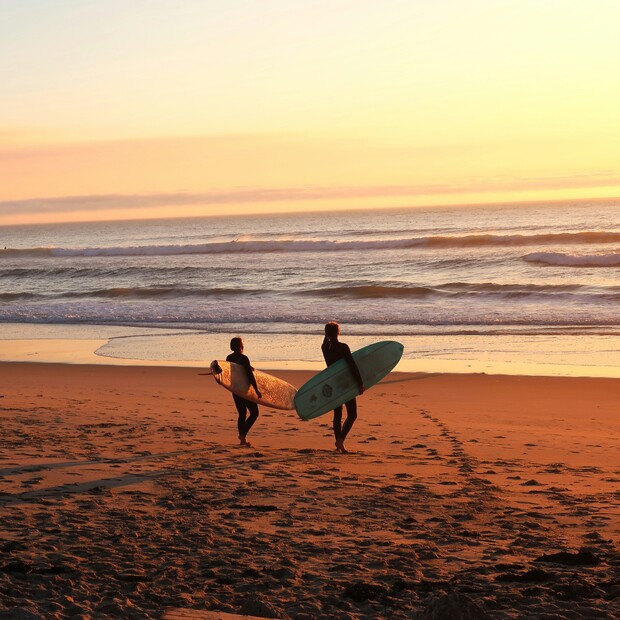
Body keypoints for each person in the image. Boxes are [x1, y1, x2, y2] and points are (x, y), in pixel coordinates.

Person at [321, 322, 364, 453]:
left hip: (333, 384)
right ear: (338, 332)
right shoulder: (343, 347)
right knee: (352, 414)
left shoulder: (324, 347)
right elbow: (352, 365)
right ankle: (340, 440)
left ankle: (338, 443)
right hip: (345, 384)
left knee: (337, 414)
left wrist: (326, 334)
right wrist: (360, 383)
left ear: (326, 333)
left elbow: (326, 341)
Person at [226, 337, 262, 446]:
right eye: (242, 344)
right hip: (245, 390)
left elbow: (233, 371)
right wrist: (256, 390)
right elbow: (250, 376)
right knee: (254, 413)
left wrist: (248, 366)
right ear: (240, 346)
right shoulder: (244, 358)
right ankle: (243, 434)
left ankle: (243, 439)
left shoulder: (229, 357)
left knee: (242, 414)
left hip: (235, 390)